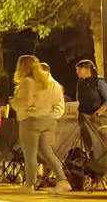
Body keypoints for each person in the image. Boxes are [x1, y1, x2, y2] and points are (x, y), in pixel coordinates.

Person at [12, 54, 71, 193]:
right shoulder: (50, 82)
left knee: (30, 154)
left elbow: (25, 102)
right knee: (47, 151)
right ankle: (62, 180)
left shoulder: (27, 81)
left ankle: (29, 185)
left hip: (31, 120)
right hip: (48, 120)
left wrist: (13, 102)